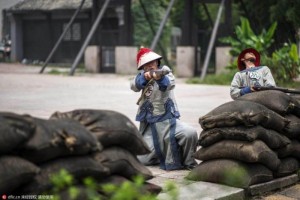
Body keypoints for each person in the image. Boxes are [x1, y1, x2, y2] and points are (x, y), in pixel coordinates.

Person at [130, 47, 198, 171]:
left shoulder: (167, 73)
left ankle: (188, 161)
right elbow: (134, 86)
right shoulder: (140, 77)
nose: (151, 65)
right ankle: (165, 154)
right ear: (143, 67)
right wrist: (145, 78)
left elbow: (167, 84)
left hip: (168, 121)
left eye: (153, 62)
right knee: (141, 159)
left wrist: (159, 77)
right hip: (150, 126)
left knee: (190, 133)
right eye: (147, 64)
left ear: (157, 63)